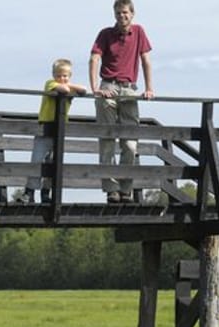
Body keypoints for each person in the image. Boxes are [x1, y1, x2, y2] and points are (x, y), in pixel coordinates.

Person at [89, 0, 154, 204]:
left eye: (125, 12)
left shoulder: (139, 32)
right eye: (118, 13)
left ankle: (126, 188)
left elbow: (146, 60)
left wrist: (149, 88)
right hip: (108, 86)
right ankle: (111, 190)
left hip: (129, 88)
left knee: (130, 142)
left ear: (132, 14)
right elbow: (94, 58)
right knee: (107, 139)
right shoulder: (105, 34)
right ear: (114, 14)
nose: (122, 16)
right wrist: (95, 89)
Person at [19, 59, 88, 204]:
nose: (61, 78)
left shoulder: (66, 84)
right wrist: (67, 85)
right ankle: (29, 192)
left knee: (53, 162)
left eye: (65, 76)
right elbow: (64, 90)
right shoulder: (50, 83)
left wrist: (69, 85)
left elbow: (84, 90)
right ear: (53, 75)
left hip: (59, 131)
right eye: (59, 75)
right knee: (36, 162)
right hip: (45, 128)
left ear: (70, 76)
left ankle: (46, 193)